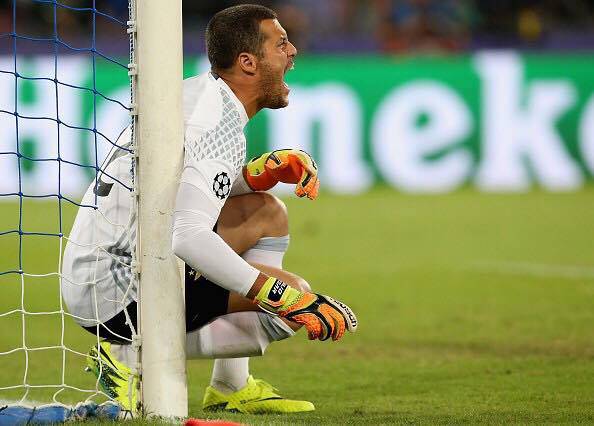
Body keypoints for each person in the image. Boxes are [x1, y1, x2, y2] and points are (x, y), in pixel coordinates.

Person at [61, 4, 357, 416]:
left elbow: (172, 190)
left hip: (98, 268)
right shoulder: (214, 124)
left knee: (267, 211)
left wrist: (253, 176)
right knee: (296, 301)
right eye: (282, 43)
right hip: (116, 291)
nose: (293, 52)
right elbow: (188, 235)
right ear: (248, 62)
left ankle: (230, 386)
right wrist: (282, 296)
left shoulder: (199, 94)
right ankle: (128, 355)